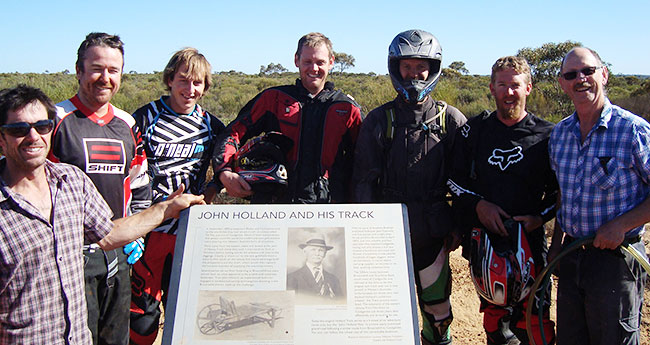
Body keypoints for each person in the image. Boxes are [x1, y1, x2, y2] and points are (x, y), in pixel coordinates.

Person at [0, 84, 204, 344]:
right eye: (19, 129)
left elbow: (109, 233)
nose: (33, 136)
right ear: (1, 138)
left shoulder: (71, 181)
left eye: (42, 127)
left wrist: (166, 209)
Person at [352, 29, 466, 345]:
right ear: (395, 68)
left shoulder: (451, 119)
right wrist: (365, 232)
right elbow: (363, 181)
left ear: (433, 69)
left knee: (438, 313)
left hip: (434, 229)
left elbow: (465, 181)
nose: (414, 74)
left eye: (420, 67)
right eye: (407, 67)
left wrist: (458, 224)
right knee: (386, 311)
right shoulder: (379, 119)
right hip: (388, 232)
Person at [47, 32, 151, 345]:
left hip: (119, 250)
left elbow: (139, 180)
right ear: (78, 70)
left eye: (113, 70)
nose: (104, 77)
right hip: (67, 254)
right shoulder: (54, 119)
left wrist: (137, 232)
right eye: (96, 68)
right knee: (78, 336)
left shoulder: (126, 123)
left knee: (115, 337)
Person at [447, 56, 557, 345]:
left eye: (516, 85)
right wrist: (478, 205)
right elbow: (453, 180)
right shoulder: (475, 130)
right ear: (492, 88)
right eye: (502, 85)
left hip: (530, 243)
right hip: (486, 243)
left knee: (536, 320)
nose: (509, 92)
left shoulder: (548, 135)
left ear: (528, 88)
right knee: (496, 320)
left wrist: (539, 219)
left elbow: (560, 193)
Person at [548, 47, 650, 345]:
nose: (580, 79)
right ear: (562, 83)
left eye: (588, 71)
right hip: (572, 257)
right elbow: (562, 195)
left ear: (603, 74)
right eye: (571, 75)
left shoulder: (633, 130)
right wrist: (555, 245)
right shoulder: (560, 135)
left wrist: (620, 225)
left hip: (616, 261)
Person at [129, 47, 225, 345]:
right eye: (183, 80)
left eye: (197, 82)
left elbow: (222, 171)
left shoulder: (212, 126)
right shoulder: (145, 118)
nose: (190, 89)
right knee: (142, 315)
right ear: (170, 80)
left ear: (205, 86)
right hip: (149, 232)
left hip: (189, 232)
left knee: (183, 311)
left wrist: (208, 194)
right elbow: (128, 174)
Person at [213, 32, 363, 204]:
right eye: (307, 61)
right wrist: (224, 172)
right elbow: (233, 133)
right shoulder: (273, 99)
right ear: (296, 60)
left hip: (328, 209)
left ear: (331, 62)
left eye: (320, 62)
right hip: (275, 207)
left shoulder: (346, 108)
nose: (314, 68)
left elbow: (366, 160)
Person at [287, 233, 343, 299]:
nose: (317, 254)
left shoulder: (334, 279)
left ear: (325, 254)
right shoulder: (292, 278)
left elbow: (340, 302)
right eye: (313, 250)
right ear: (305, 252)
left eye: (321, 250)